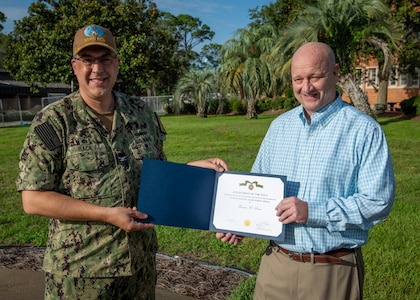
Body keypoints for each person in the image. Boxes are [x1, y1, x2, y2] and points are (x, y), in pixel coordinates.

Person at [16, 24, 227, 300]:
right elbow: (33, 199)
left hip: (138, 269)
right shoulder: (54, 121)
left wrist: (192, 170)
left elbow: (154, 177)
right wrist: (106, 215)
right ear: (75, 66)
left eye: (105, 59)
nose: (97, 69)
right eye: (88, 60)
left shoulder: (141, 113)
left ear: (116, 63)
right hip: (81, 272)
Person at [217, 42, 395, 299]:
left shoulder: (364, 131)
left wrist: (312, 211)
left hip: (331, 270)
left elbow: (378, 202)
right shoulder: (279, 127)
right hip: (275, 265)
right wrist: (239, 223)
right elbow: (258, 186)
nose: (306, 87)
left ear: (334, 73)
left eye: (315, 77)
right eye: (298, 79)